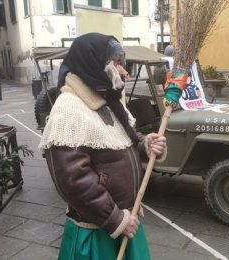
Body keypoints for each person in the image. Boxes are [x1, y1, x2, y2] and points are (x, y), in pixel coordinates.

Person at [39, 33, 167, 260]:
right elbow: (73, 180)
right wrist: (115, 219)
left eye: (123, 63)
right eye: (117, 63)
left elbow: (119, 140)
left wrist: (145, 144)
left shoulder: (107, 101)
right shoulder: (68, 109)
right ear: (93, 64)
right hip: (98, 232)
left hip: (126, 220)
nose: (124, 72)